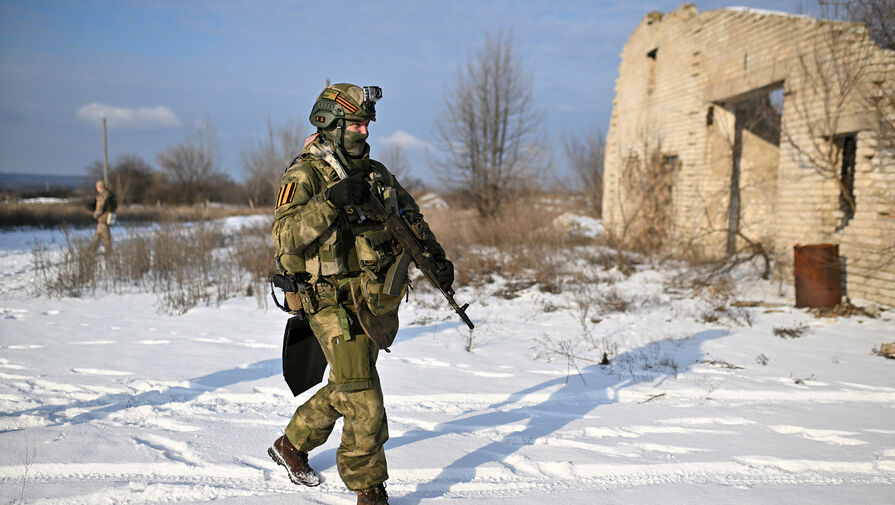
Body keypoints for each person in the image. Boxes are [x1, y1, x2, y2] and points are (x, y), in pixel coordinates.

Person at [267, 83, 454, 505]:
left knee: (348, 385)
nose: (364, 132)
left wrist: (436, 258)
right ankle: (368, 488)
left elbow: (410, 217)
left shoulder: (375, 173)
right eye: (354, 123)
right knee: (365, 400)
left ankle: (292, 444)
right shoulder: (306, 174)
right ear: (329, 124)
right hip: (327, 299)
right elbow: (284, 236)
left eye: (366, 123)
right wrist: (331, 201)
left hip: (372, 297)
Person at [90, 180, 115, 254]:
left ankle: (108, 253)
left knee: (106, 237)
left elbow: (100, 208)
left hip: (103, 219)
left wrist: (95, 215)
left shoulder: (102, 196)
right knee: (97, 236)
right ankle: (92, 251)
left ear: (99, 187)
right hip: (107, 218)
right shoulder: (109, 194)